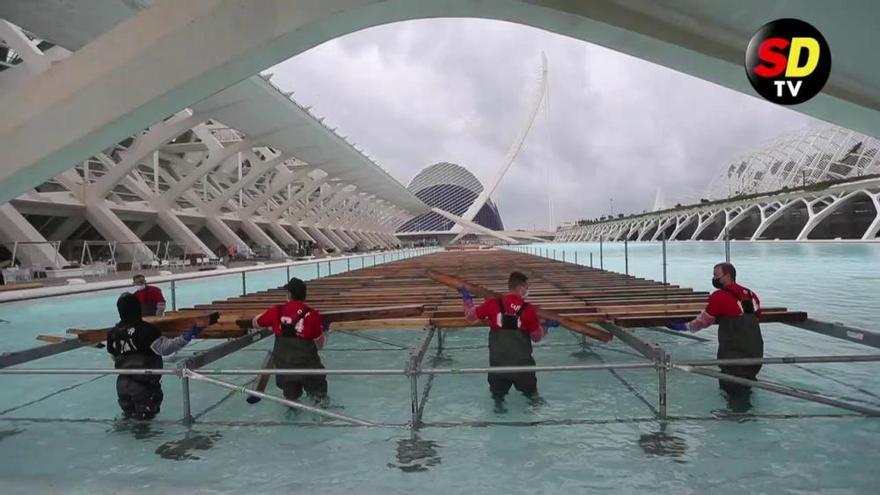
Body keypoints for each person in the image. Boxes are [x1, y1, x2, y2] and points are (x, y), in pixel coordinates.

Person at [459, 271, 558, 411]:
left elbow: (470, 317)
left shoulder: (492, 303)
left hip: (498, 366)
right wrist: (547, 326)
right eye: (527, 287)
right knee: (533, 398)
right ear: (521, 288)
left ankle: (499, 414)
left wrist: (466, 299)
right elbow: (536, 337)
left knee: (497, 401)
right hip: (523, 367)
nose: (527, 290)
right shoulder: (528, 310)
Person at [107, 293, 209, 420]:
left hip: (122, 384)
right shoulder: (145, 329)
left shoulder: (113, 333)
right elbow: (165, 348)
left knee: (129, 418)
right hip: (144, 385)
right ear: (138, 308)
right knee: (144, 423)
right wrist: (188, 335)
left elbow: (113, 355)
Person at [667, 262, 763, 395]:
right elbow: (754, 316)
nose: (714, 279)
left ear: (727, 276)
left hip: (734, 352)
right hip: (755, 350)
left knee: (730, 387)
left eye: (716, 275)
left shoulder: (719, 296)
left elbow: (704, 321)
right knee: (747, 385)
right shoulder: (749, 294)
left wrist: (684, 326)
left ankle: (732, 413)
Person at [246, 277, 330, 404]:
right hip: (308, 367)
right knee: (320, 398)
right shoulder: (312, 315)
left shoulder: (276, 311)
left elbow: (255, 323)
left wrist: (272, 324)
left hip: (286, 369)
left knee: (291, 400)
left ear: (289, 294)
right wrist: (325, 331)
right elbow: (320, 344)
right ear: (304, 295)